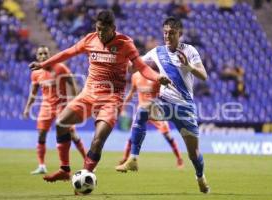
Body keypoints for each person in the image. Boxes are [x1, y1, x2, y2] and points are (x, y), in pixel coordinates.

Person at [29, 10, 171, 182]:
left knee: (97, 141)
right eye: (98, 29)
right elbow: (67, 53)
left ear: (113, 28)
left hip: (111, 100)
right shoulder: (90, 39)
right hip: (88, 95)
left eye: (104, 29)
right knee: (61, 123)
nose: (100, 33)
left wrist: (157, 77)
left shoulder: (125, 44)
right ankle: (65, 170)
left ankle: (85, 177)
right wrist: (43, 64)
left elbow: (142, 67)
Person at [115, 17, 210, 194]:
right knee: (142, 110)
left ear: (180, 34)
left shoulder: (189, 51)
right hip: (165, 103)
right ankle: (133, 159)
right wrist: (122, 57)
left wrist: (188, 66)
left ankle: (200, 177)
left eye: (172, 33)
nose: (167, 36)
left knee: (193, 153)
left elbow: (204, 75)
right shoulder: (157, 52)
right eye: (165, 32)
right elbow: (134, 67)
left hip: (185, 108)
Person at [23, 46, 86, 175]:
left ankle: (87, 160)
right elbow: (33, 92)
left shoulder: (60, 68)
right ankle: (41, 166)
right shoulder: (36, 73)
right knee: (41, 134)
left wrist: (74, 100)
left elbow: (71, 81)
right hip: (46, 107)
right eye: (40, 54)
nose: (43, 56)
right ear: (37, 57)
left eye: (45, 53)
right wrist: (27, 108)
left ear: (49, 55)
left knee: (73, 135)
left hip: (61, 107)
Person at [117, 71, 184, 168]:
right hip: (141, 111)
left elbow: (164, 93)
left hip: (154, 111)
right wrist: (123, 108)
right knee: (133, 136)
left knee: (167, 135)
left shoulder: (156, 76)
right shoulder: (135, 76)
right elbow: (131, 92)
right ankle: (125, 158)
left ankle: (179, 158)